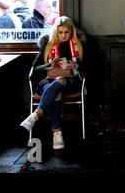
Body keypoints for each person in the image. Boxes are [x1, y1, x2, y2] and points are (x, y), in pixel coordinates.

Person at [20, 16, 85, 150]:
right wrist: (49, 64)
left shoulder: (78, 46)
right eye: (60, 32)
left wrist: (75, 65)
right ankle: (57, 135)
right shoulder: (47, 45)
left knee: (60, 80)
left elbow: (88, 68)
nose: (63, 35)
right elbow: (35, 70)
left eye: (66, 32)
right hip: (47, 82)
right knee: (56, 92)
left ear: (71, 31)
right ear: (55, 32)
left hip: (70, 81)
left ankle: (37, 114)